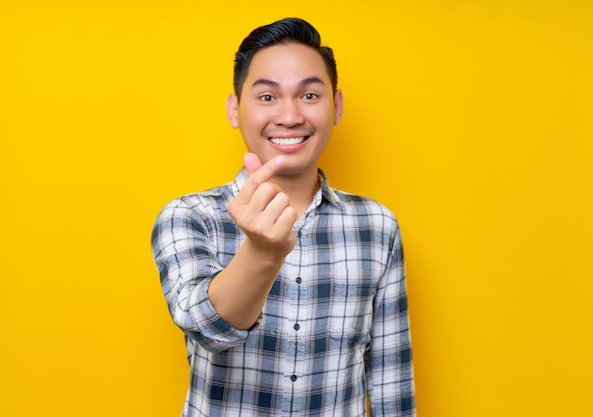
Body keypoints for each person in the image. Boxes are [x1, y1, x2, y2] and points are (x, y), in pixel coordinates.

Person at [151, 17, 416, 416]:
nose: (290, 116)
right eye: (267, 97)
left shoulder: (377, 227)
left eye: (309, 95)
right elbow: (208, 331)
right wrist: (262, 253)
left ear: (337, 106)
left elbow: (391, 382)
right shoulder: (189, 217)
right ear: (235, 109)